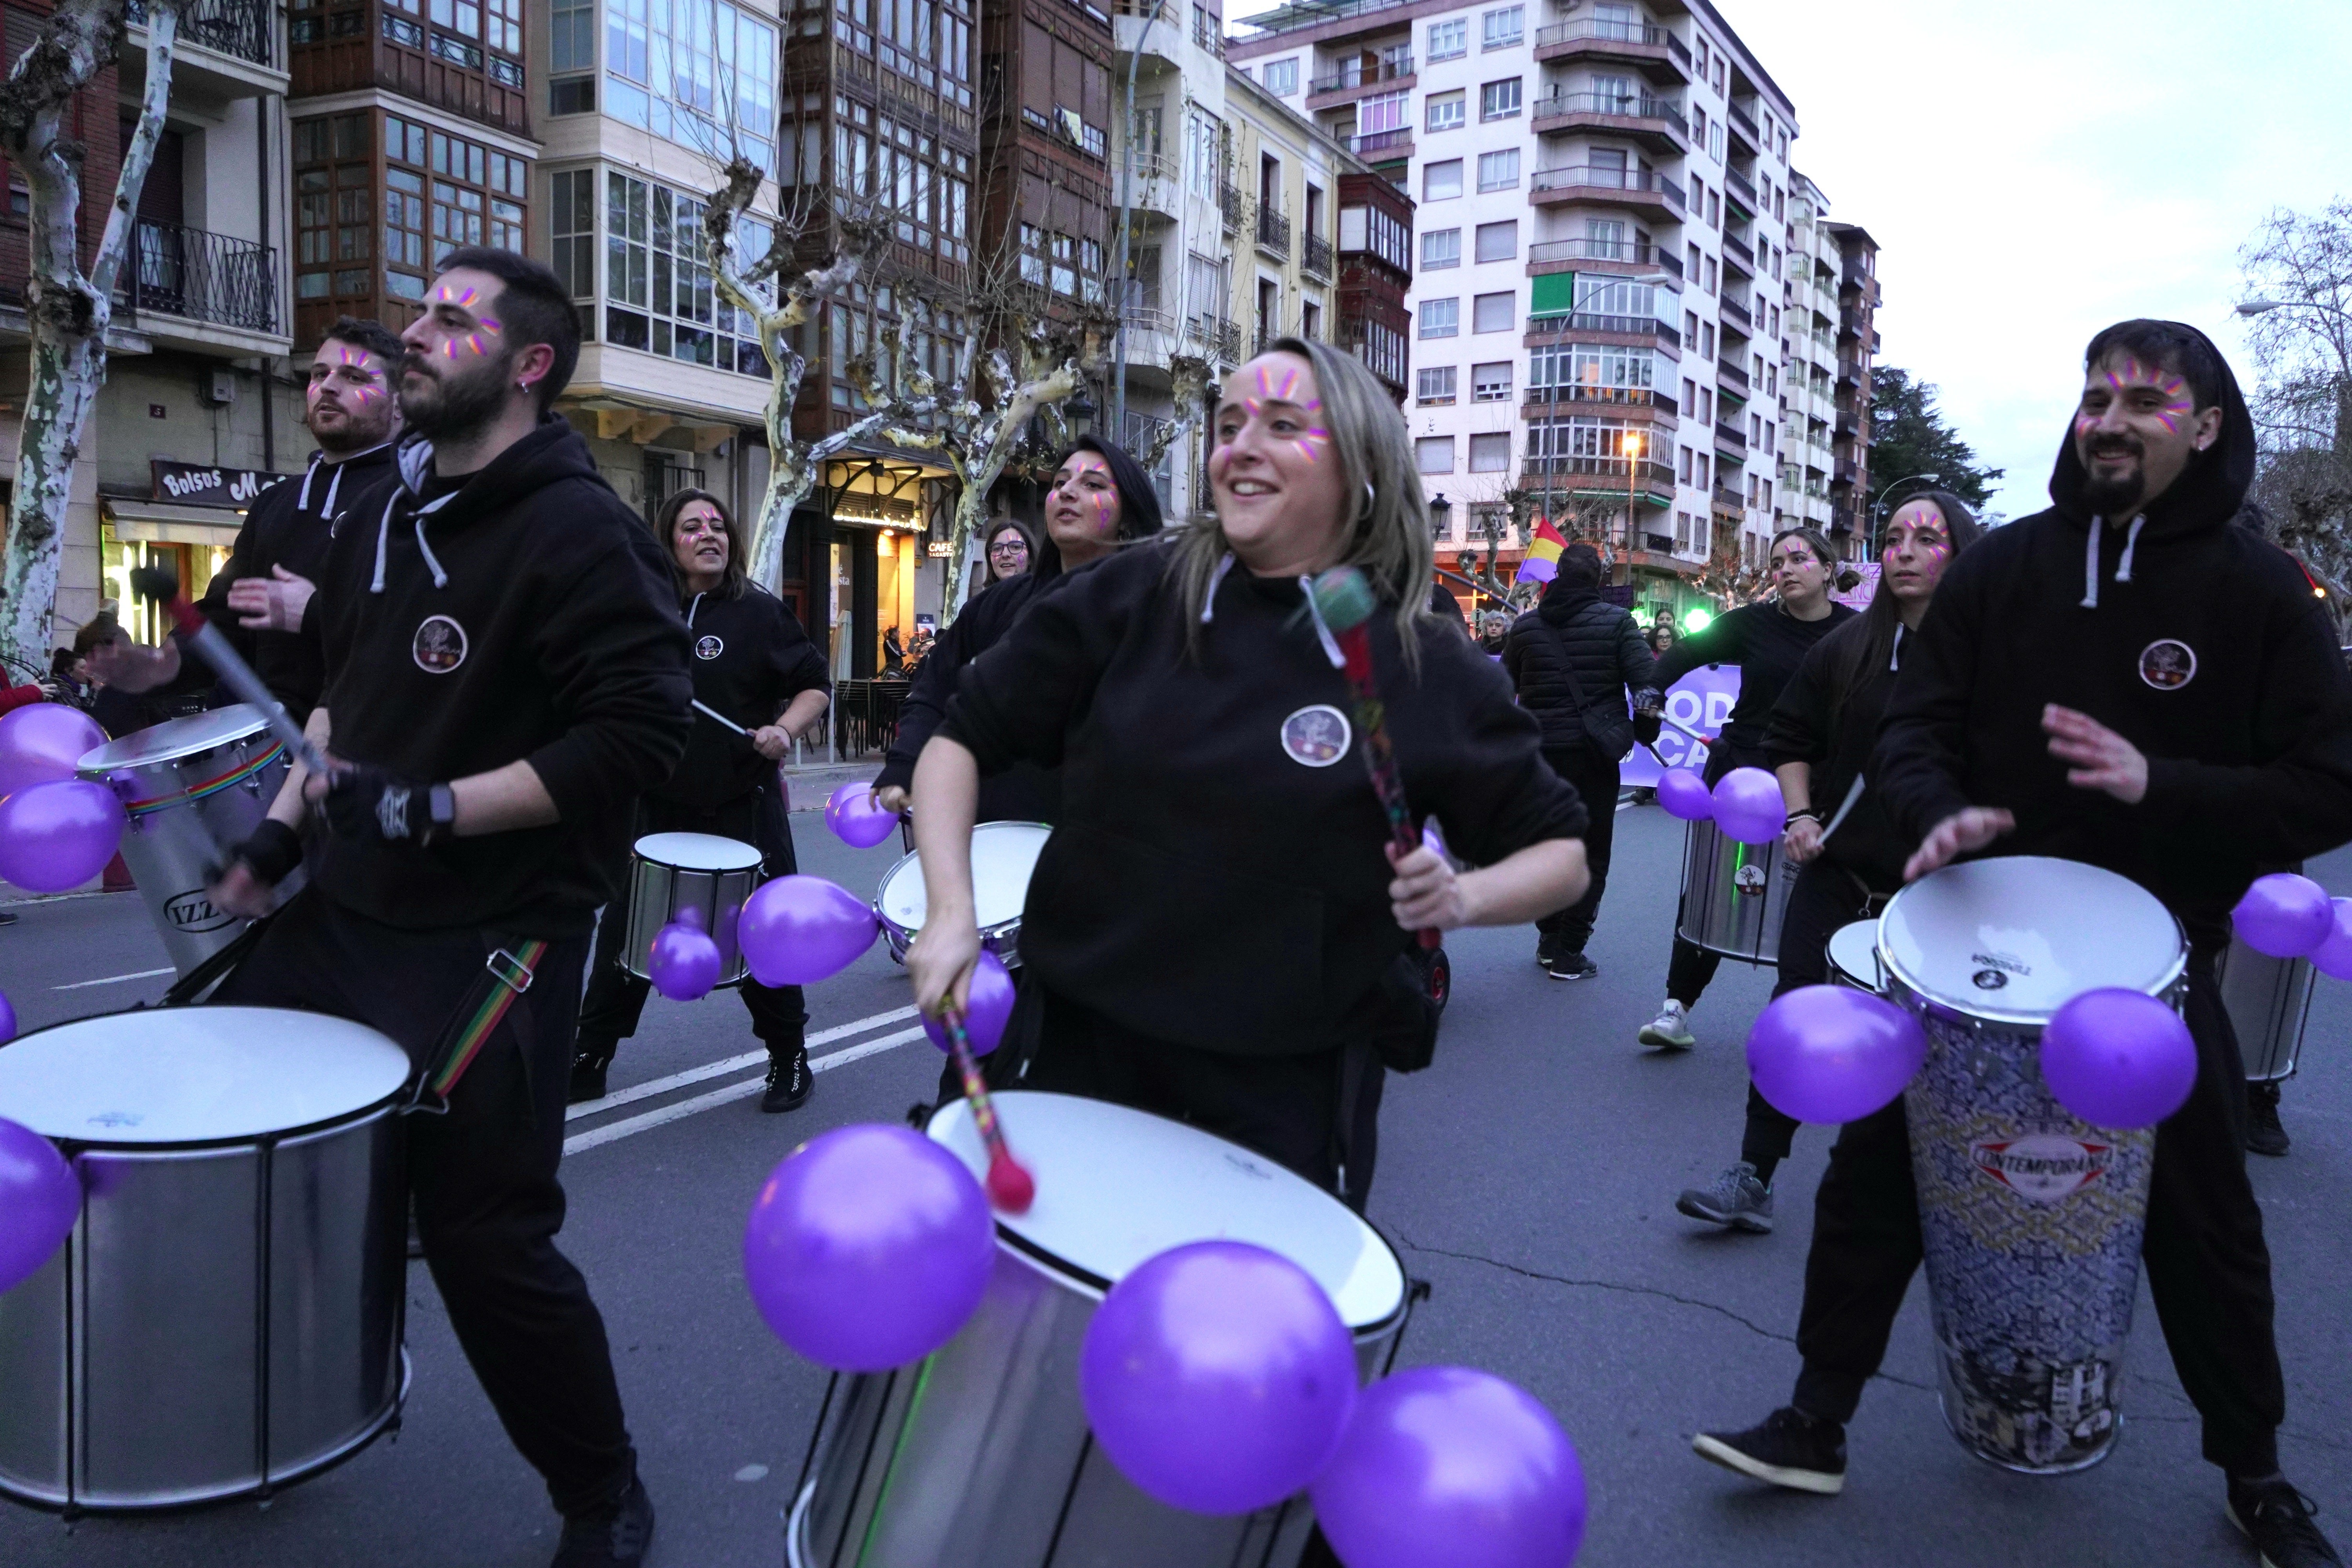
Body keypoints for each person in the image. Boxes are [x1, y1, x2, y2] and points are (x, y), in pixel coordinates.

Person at [1694, 321, 2352, 1568]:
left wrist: (2158, 784)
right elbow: (1910, 726)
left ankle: (2255, 1474)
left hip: (2145, 979)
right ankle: (1812, 1419)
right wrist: (1936, 812)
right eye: (2094, 393)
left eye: (2145, 399)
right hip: (1965, 954)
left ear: (2204, 426)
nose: (2107, 416)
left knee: (2204, 1216)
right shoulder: (2000, 570)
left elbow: (2328, 786)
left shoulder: (2258, 591)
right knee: (1873, 1179)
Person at [204, 249, 687, 1568]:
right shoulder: (390, 509)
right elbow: (344, 706)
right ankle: (273, 1410)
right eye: (417, 311)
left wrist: (436, 809)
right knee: (222, 1142)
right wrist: (276, 834)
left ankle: (601, 1493)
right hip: (346, 911)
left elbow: (634, 740)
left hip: (501, 937)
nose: (412, 334)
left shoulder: (582, 533)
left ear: (526, 366)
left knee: (483, 1242)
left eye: (446, 321)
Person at [902, 338, 1591, 1211]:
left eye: (1283, 425)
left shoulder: (1421, 662)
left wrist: (1460, 898)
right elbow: (957, 740)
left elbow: (1562, 855)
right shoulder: (1137, 592)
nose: (1242, 446)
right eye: (1229, 425)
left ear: (1361, 464)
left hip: (1278, 1103)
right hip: (1077, 1051)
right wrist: (952, 911)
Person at [1674, 492, 1980, 1232]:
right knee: (1797, 1011)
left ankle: (1949, 1194)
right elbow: (1790, 737)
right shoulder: (1845, 650)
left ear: (1962, 554)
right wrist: (1803, 814)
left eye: (1927, 538)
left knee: (1935, 1045)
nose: (1904, 550)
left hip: (1944, 894)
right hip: (1839, 876)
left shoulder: (1996, 659)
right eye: (1894, 537)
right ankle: (1753, 1173)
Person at [568, 489, 831, 1110]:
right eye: (693, 527)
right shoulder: (644, 610)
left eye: (718, 525)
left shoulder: (759, 614)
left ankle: (789, 1058)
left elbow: (814, 685)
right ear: (670, 542)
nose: (709, 534)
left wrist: (783, 730)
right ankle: (591, 1055)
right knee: (627, 931)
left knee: (760, 934)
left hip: (743, 804)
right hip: (654, 805)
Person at [87, 319, 405, 723]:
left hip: (379, 746)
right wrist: (163, 664)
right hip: (269, 751)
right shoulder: (275, 503)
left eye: (354, 376)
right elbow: (226, 621)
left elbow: (423, 630)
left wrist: (311, 612)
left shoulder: (420, 496)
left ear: (400, 401)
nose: (328, 386)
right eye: (320, 374)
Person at [1637, 528, 1857, 1050]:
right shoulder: (1752, 624)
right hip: (1743, 773)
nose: (1785, 568)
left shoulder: (1857, 631)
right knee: (1716, 890)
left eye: (1799, 558)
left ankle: (1807, 1019)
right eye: (1777, 562)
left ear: (1828, 569)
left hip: (1817, 781)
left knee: (1818, 900)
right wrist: (1652, 687)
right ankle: (1675, 1009)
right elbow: (1689, 650)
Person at [871, 436, 1164, 825]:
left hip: (1107, 848)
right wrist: (905, 764)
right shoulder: (998, 605)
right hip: (994, 842)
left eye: (1092, 485)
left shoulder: (1161, 613)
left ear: (1129, 514)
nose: (1068, 493)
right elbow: (933, 691)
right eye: (1059, 483)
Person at [1502, 542, 1659, 979]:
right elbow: (1647, 689)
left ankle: (1549, 938)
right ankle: (1570, 950)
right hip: (1592, 756)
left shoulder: (1526, 626)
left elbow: (1500, 691)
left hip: (1536, 757)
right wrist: (1645, 733)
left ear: (1556, 574)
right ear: (1599, 578)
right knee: (1590, 853)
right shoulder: (1618, 622)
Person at [982, 514, 1036, 585]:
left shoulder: (1045, 595)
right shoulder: (985, 596)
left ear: (1030, 557)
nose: (1005, 554)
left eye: (1016, 547)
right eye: (997, 548)